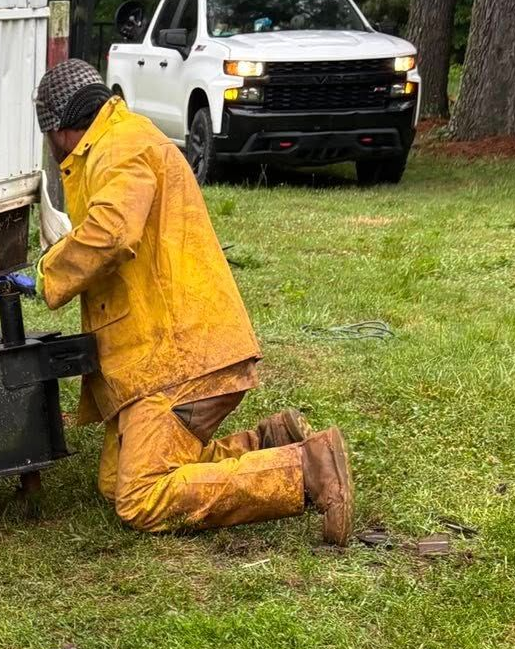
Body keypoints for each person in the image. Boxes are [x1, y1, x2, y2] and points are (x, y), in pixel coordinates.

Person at [32, 59, 354, 543]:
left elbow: (112, 233)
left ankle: (304, 470)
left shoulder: (117, 148)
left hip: (178, 360)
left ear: (57, 130)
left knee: (140, 496)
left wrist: (49, 270)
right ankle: (270, 442)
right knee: (113, 484)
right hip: (170, 351)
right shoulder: (123, 136)